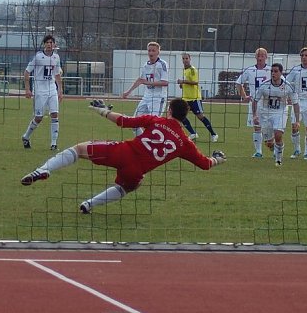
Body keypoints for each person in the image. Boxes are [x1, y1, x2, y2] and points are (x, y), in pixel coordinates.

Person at [20, 97, 226, 214]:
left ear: (169, 111)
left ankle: (42, 170)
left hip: (123, 152)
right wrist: (217, 158)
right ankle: (89, 204)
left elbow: (124, 121)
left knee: (79, 149)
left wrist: (102, 110)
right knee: (131, 186)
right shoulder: (185, 143)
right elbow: (205, 164)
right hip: (136, 171)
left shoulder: (156, 120)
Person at [21, 34, 64, 150]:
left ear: (54, 44)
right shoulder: (38, 57)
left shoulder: (56, 57)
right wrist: (27, 89)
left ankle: (54, 144)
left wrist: (60, 90)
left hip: (52, 89)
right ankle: (26, 137)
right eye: (47, 43)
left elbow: (57, 74)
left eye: (51, 42)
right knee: (38, 117)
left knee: (54, 114)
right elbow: (27, 72)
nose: (49, 44)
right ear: (44, 44)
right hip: (40, 90)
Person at [253, 63, 299, 166]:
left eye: (276, 71)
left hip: (280, 112)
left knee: (278, 135)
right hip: (265, 113)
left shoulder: (287, 86)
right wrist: (255, 115)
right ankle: (275, 147)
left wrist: (297, 121)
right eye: (272, 71)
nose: (273, 73)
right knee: (269, 143)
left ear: (281, 73)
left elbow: (295, 103)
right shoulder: (264, 85)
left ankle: (278, 160)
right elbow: (255, 100)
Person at [123, 41, 169, 135]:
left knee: (154, 125)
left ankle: (157, 142)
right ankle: (143, 141)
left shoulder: (162, 64)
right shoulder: (146, 65)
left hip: (158, 98)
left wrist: (148, 82)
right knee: (134, 123)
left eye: (153, 51)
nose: (151, 53)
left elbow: (165, 82)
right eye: (149, 50)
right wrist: (128, 91)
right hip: (146, 97)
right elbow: (141, 80)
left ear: (158, 52)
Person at [235, 47, 271, 157]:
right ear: (255, 57)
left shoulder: (271, 70)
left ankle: (275, 148)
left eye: (262, 56)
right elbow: (238, 83)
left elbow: (282, 82)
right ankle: (258, 151)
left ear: (266, 57)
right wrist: (244, 96)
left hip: (268, 103)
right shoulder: (250, 70)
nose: (260, 58)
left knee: (270, 127)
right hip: (255, 103)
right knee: (257, 126)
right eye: (258, 56)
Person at [177, 52, 219, 142]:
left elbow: (195, 82)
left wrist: (183, 81)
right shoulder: (184, 70)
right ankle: (193, 133)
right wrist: (182, 85)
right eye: (183, 59)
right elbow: (186, 82)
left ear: (190, 59)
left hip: (194, 98)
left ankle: (213, 134)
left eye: (186, 58)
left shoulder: (192, 70)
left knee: (200, 117)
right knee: (181, 115)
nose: (185, 60)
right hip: (185, 98)